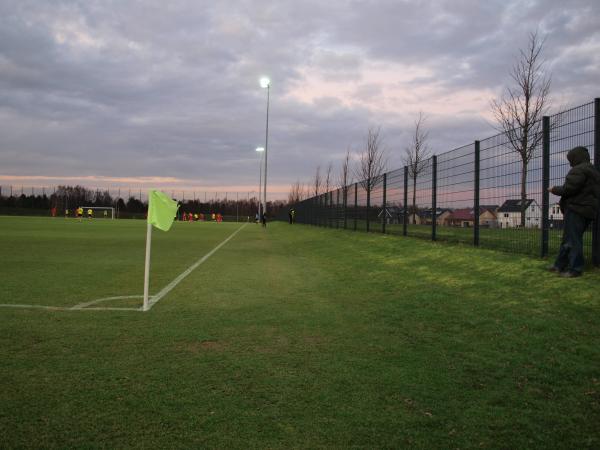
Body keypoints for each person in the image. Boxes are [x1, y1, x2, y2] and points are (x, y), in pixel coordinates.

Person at [548, 146, 600, 277]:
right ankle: (559, 265)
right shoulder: (593, 171)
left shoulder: (578, 170)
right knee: (569, 238)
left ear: (575, 158)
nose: (570, 162)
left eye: (570, 159)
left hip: (576, 208)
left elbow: (569, 189)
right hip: (588, 210)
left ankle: (575, 269)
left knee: (573, 240)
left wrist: (554, 189)